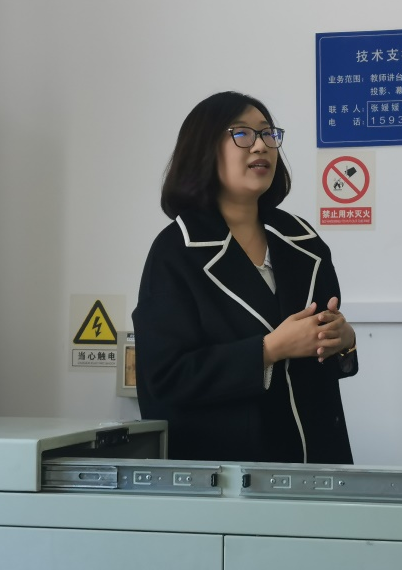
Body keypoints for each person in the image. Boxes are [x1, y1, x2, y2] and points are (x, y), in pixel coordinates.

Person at [132, 91, 359, 464]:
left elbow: (320, 359)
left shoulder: (302, 239)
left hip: (319, 462)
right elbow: (165, 377)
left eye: (268, 134)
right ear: (204, 149)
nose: (261, 145)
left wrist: (344, 341)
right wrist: (268, 350)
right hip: (229, 472)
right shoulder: (176, 250)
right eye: (242, 133)